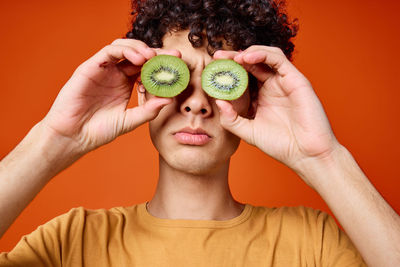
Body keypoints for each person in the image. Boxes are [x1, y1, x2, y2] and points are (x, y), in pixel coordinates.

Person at [0, 0, 399, 266]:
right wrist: (54, 140)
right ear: (142, 86)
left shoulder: (313, 244)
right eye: (175, 78)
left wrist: (323, 159)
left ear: (252, 100)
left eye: (220, 79)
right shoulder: (72, 243)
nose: (195, 103)